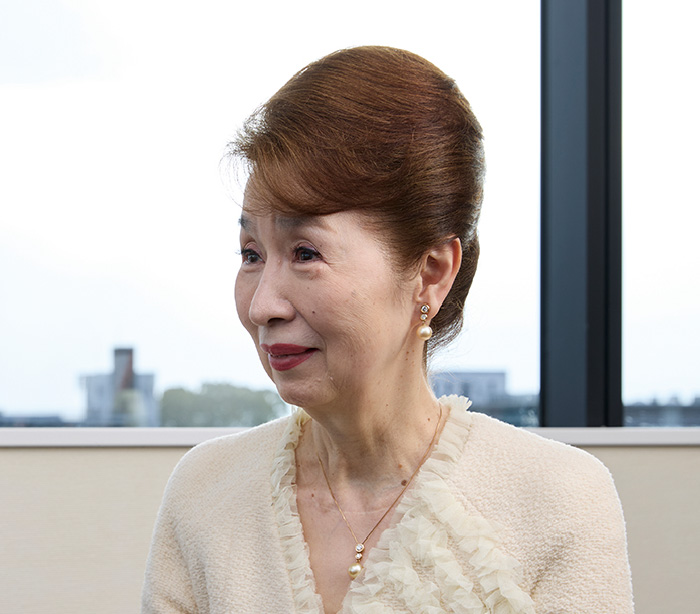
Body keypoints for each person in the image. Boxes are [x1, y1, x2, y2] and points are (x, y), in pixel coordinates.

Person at [142, 46, 634, 613]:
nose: (262, 306)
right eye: (251, 253)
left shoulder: (559, 502)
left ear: (431, 272)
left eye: (305, 252)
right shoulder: (206, 493)